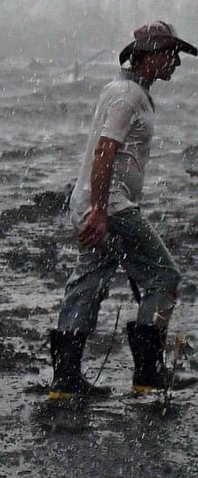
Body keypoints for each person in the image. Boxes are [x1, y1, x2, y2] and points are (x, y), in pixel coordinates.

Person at [50, 21, 198, 399]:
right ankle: (148, 373)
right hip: (110, 205)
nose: (177, 63)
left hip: (95, 202)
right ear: (148, 55)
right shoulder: (127, 96)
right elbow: (105, 151)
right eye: (171, 55)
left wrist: (96, 208)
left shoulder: (123, 90)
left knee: (90, 280)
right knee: (164, 276)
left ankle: (66, 379)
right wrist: (101, 211)